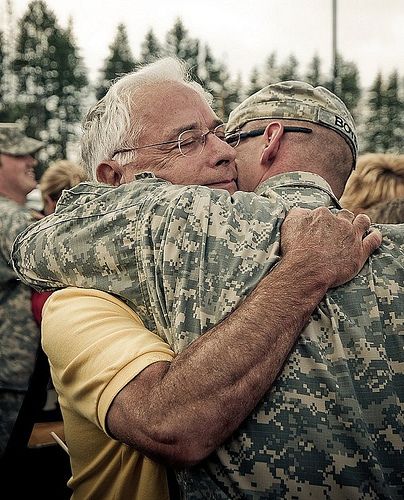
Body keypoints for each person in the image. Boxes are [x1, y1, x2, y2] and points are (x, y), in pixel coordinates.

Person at [11, 59, 386, 499]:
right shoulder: (81, 302)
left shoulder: (253, 250)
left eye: (222, 133)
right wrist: (304, 273)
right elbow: (170, 427)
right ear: (116, 179)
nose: (225, 151)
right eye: (188, 141)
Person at [0, 123, 43, 455]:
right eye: (20, 153)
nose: (32, 159)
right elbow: (53, 261)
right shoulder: (8, 218)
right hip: (10, 376)